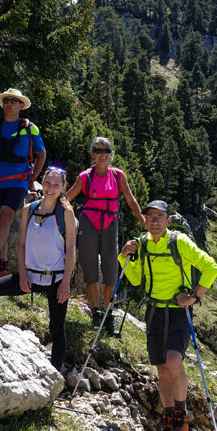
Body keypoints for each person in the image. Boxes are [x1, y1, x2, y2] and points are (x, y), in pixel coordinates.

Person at [119, 200, 217, 431]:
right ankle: (168, 420)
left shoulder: (179, 242)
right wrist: (124, 256)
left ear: (169, 220)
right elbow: (135, 279)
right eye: (150, 217)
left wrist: (193, 296)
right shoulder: (142, 245)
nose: (154, 221)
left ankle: (181, 416)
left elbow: (212, 267)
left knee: (174, 360)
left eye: (159, 217)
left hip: (178, 312)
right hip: (154, 311)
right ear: (144, 220)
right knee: (162, 370)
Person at [0, 166, 76, 370]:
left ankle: (55, 376)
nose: (50, 188)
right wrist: (22, 274)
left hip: (55, 280)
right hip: (30, 277)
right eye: (48, 183)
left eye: (56, 185)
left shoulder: (65, 213)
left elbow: (71, 250)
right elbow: (21, 244)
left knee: (56, 328)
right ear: (43, 182)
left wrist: (65, 283)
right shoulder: (28, 209)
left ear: (63, 188)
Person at [65, 136, 142, 335]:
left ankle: (108, 315)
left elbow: (131, 201)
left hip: (110, 223)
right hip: (89, 223)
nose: (103, 154)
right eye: (98, 150)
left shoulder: (118, 176)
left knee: (110, 273)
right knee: (90, 270)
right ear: (92, 154)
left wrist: (144, 222)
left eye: (106, 150)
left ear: (110, 154)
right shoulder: (85, 177)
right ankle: (96, 313)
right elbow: (67, 199)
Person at [0, 88, 46, 278]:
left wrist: (32, 178)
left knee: (5, 218)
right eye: (6, 100)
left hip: (18, 182)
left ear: (21, 106)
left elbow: (41, 154)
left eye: (14, 101)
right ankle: (3, 264)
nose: (9, 104)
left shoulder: (30, 128)